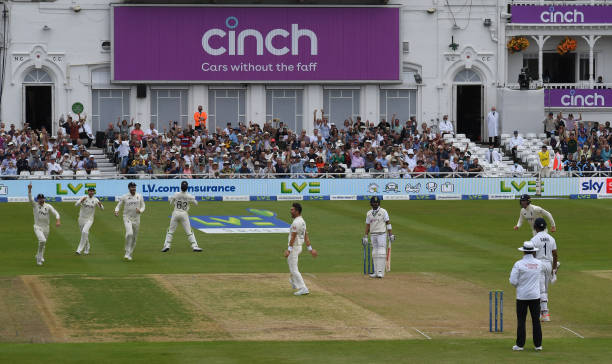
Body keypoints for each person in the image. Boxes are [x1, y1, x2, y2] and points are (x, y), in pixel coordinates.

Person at [509, 241, 544, 351]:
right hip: (535, 296)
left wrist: (521, 285)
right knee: (536, 321)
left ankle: (520, 345)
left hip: (522, 296)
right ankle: (538, 345)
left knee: (521, 320)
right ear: (533, 251)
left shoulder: (518, 264)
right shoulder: (539, 263)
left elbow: (513, 281)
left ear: (524, 251)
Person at [284, 203, 317, 295]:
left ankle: (303, 288)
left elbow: (293, 237)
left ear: (297, 211)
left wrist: (289, 250)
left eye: (292, 210)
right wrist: (310, 249)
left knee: (294, 269)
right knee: (291, 265)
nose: (291, 211)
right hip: (299, 247)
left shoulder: (296, 223)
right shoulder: (302, 221)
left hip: (294, 248)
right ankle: (294, 281)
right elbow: (306, 235)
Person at [530, 218, 558, 322]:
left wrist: (532, 267)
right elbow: (555, 254)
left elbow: (532, 254)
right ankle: (542, 312)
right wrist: (554, 269)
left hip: (539, 265)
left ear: (535, 227)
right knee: (544, 290)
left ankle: (545, 313)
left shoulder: (534, 239)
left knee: (541, 290)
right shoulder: (551, 238)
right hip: (548, 265)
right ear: (545, 227)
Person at [161, 181, 202, 252]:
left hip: (175, 213)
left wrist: (173, 201)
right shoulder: (189, 196)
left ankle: (167, 245)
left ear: (181, 187)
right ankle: (194, 246)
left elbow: (170, 202)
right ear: (187, 188)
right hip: (184, 214)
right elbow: (196, 203)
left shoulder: (176, 194)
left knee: (170, 230)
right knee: (189, 231)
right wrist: (192, 200)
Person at [28, 183, 61, 266]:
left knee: (43, 243)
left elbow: (55, 212)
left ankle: (39, 255)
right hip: (37, 227)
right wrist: (29, 189)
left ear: (44, 198)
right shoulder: (35, 205)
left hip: (46, 227)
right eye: (39, 199)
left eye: (42, 198)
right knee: (42, 240)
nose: (40, 200)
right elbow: (30, 198)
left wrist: (58, 220)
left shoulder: (48, 206)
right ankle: (38, 260)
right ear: (37, 199)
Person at [363, 196, 394, 278]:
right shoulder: (369, 213)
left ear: (379, 203)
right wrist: (365, 236)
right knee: (374, 252)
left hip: (382, 234)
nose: (375, 204)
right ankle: (376, 272)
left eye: (376, 203)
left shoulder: (383, 211)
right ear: (371, 203)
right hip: (373, 234)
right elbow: (367, 225)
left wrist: (390, 234)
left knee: (381, 251)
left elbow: (388, 223)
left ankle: (381, 272)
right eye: (373, 202)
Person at [114, 182, 146, 261]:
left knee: (134, 238)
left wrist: (140, 210)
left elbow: (143, 206)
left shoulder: (139, 196)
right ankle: (127, 251)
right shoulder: (125, 196)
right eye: (132, 187)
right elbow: (119, 205)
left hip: (136, 219)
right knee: (129, 233)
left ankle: (129, 253)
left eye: (134, 187)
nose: (133, 189)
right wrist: (116, 211)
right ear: (129, 188)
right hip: (127, 217)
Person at [74, 187, 104, 255]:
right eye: (90, 191)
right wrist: (81, 201)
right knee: (84, 234)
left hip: (89, 219)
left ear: (94, 192)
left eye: (92, 191)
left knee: (85, 231)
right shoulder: (84, 197)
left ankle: (79, 249)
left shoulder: (96, 200)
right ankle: (87, 247)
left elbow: (102, 209)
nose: (91, 192)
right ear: (88, 192)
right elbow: (76, 204)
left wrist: (100, 204)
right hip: (81, 218)